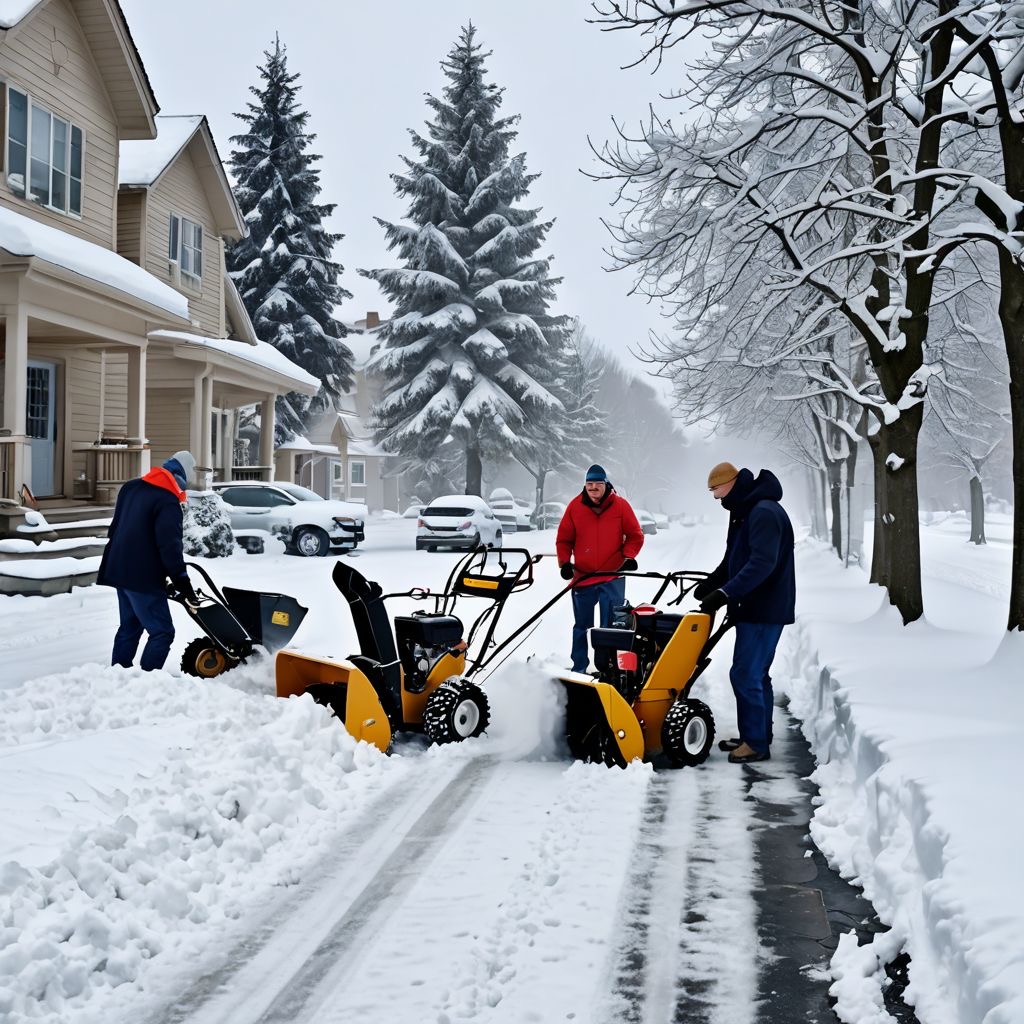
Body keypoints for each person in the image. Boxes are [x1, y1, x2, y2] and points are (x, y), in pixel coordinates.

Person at [694, 461, 795, 764]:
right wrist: (712, 583)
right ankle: (755, 736)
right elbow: (734, 560)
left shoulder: (762, 512)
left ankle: (755, 743)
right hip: (753, 606)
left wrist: (726, 593)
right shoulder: (743, 510)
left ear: (731, 482)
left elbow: (761, 563)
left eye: (715, 489)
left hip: (764, 608)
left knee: (746, 674)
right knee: (755, 675)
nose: (714, 497)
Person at [97, 450, 198, 671]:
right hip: (142, 576)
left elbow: (115, 528)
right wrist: (182, 581)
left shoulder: (131, 487)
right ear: (183, 475)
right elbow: (170, 546)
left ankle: (118, 676)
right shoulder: (167, 500)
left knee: (130, 627)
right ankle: (148, 681)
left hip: (118, 569)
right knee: (162, 632)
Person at [556, 464, 645, 673]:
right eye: (589, 484)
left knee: (611, 628)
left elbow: (635, 535)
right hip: (583, 577)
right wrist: (564, 563)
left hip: (612, 578)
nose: (593, 488)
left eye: (597, 484)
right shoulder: (574, 507)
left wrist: (628, 556)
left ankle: (609, 669)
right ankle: (579, 668)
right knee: (581, 627)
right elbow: (564, 539)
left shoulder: (621, 506)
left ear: (606, 485)